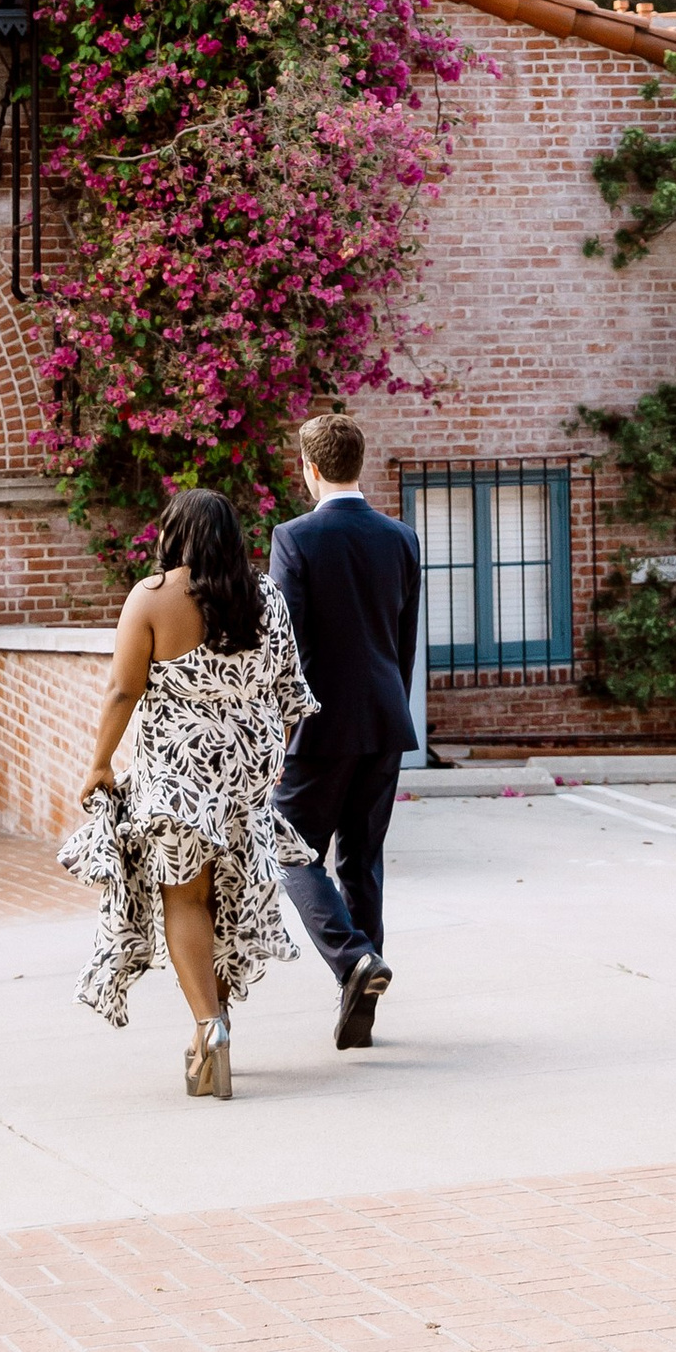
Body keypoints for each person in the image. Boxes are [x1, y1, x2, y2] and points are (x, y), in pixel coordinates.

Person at [61, 485, 316, 1098]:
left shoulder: (151, 600)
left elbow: (124, 691)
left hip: (179, 778)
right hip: (245, 775)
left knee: (187, 899)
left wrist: (99, 765)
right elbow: (291, 695)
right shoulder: (268, 599)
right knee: (228, 898)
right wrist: (270, 752)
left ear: (172, 535)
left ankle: (209, 1029)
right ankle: (219, 1022)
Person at [270, 409, 420, 1049]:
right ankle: (361, 1002)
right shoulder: (402, 538)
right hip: (386, 717)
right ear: (357, 464)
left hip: (319, 727)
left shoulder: (294, 538)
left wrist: (277, 729)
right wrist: (391, 706)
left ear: (308, 469)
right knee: (362, 859)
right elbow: (404, 639)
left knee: (289, 846)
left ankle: (352, 959)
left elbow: (283, 642)